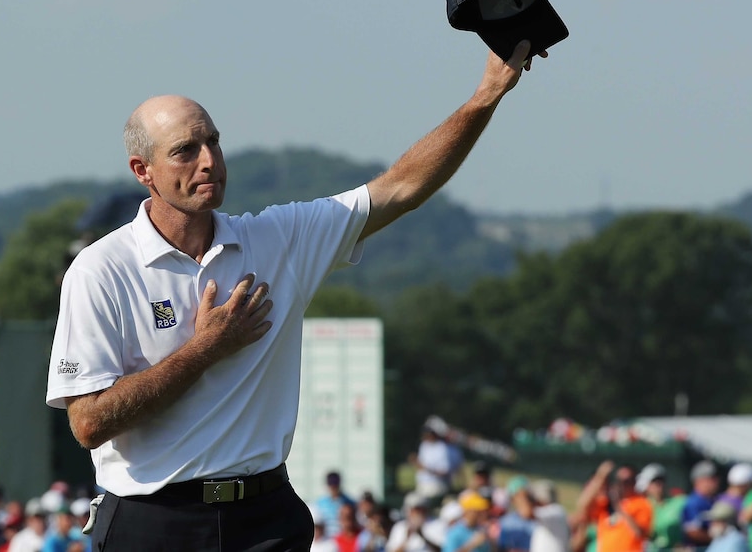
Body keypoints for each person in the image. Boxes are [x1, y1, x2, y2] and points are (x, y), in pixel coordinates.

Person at [44, 37, 546, 552]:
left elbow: (400, 188)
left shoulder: (276, 238)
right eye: (185, 151)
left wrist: (486, 95)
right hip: (153, 522)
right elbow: (88, 423)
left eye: (213, 142)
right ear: (142, 170)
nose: (209, 161)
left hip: (265, 520)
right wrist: (204, 349)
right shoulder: (100, 269)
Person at [578, 463, 653, 552]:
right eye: (619, 480)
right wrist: (600, 478)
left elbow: (640, 534)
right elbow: (583, 505)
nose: (622, 484)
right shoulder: (606, 504)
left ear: (634, 482)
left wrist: (619, 508)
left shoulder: (642, 503)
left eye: (627, 481)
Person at [636, 463, 685, 552]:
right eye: (654, 482)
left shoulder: (680, 501)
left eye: (661, 480)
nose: (659, 484)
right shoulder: (642, 505)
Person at [317, 472, 356, 539]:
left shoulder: (349, 502)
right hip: (327, 540)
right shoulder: (320, 503)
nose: (333, 487)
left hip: (343, 539)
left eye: (335, 485)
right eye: (331, 484)